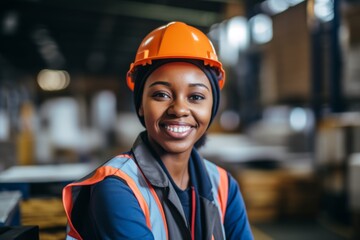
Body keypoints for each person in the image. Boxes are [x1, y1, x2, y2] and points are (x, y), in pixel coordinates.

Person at [62, 21, 253, 240]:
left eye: (196, 97)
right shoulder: (116, 188)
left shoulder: (224, 185)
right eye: (161, 94)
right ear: (141, 105)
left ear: (212, 107)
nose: (179, 109)